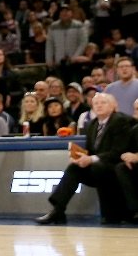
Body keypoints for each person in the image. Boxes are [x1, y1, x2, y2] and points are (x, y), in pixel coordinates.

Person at [36, 92, 135, 225]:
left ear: (113, 106)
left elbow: (118, 151)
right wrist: (80, 158)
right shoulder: (92, 124)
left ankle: (112, 214)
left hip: (115, 167)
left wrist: (92, 159)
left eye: (103, 103)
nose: (99, 106)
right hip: (97, 167)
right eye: (96, 103)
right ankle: (58, 210)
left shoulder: (120, 121)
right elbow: (90, 151)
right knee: (74, 168)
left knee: (97, 166)